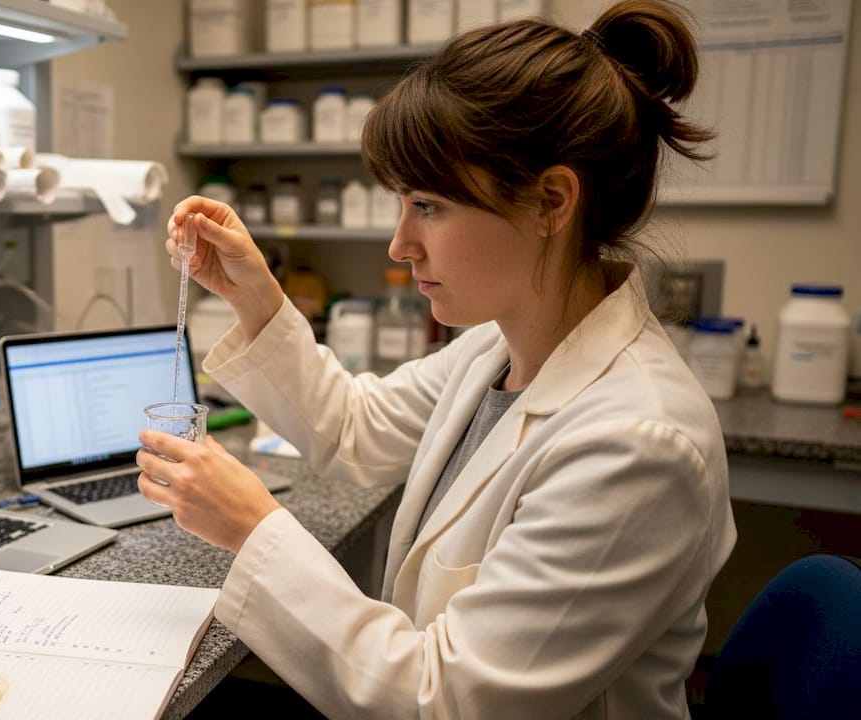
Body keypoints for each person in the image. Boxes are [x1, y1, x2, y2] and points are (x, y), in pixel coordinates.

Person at [136, 2, 737, 718]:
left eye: (428, 205)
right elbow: (354, 428)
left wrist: (253, 528)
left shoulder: (639, 445)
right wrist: (256, 296)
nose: (399, 244)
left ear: (551, 200)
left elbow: (446, 700)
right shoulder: (499, 344)